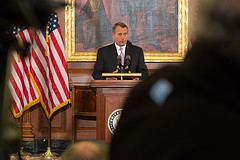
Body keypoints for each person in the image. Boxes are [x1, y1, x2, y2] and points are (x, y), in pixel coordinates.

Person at [109, 0, 240, 159]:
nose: (123, 37)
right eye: (120, 34)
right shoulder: (155, 93)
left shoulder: (149, 95)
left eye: (125, 33)